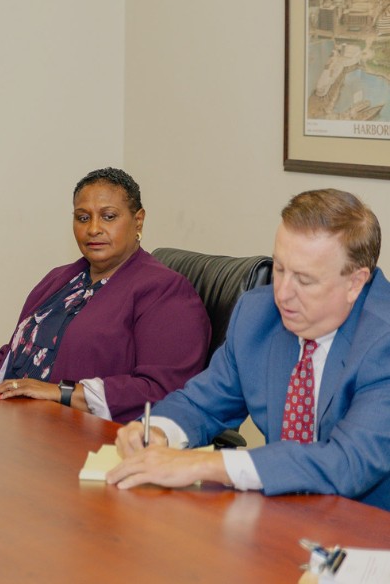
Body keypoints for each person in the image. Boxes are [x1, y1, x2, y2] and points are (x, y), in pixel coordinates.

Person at [109, 189, 390, 512]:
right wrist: (159, 433)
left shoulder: (382, 340)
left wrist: (204, 465)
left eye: (305, 280)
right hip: (282, 518)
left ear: (356, 282)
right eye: (280, 270)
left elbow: (346, 462)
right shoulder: (259, 315)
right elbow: (202, 404)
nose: (283, 294)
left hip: (370, 530)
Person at [0, 167, 211, 423]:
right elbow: (16, 353)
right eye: (83, 218)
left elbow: (164, 389)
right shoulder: (59, 280)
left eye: (108, 217)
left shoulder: (165, 291)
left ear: (138, 220)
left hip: (85, 440)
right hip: (20, 426)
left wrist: (60, 392)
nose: (93, 229)